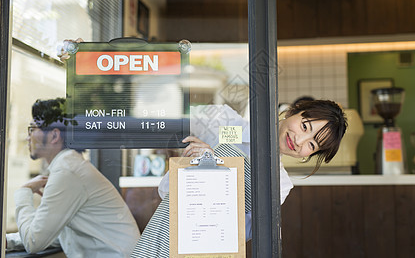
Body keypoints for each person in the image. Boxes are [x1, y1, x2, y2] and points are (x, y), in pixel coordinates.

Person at [131, 100, 347, 257]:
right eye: (305, 126)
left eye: (312, 144)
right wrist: (186, 156)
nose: (300, 140)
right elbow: (166, 119)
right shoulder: (224, 120)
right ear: (293, 111)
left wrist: (214, 166)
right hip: (164, 234)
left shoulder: (279, 184)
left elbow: (241, 233)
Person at [6, 98, 140, 257]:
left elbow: (33, 241)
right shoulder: (69, 166)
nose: (28, 137)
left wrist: (24, 191)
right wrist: (8, 241)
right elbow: (53, 232)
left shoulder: (67, 171)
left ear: (54, 135)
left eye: (32, 129)